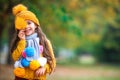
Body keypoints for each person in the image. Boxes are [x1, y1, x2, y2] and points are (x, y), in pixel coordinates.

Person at [10, 4, 56, 80]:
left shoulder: (44, 42)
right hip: (21, 77)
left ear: (36, 25)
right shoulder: (19, 42)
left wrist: (44, 68)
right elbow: (15, 57)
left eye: (29, 23)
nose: (26, 27)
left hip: (38, 78)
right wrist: (22, 41)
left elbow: (52, 61)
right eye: (23, 24)